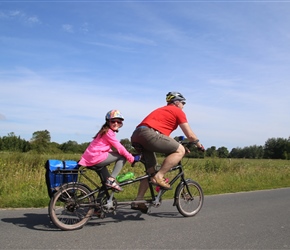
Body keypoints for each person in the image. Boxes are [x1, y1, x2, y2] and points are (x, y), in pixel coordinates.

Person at [130, 91, 205, 212]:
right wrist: (198, 144)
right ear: (176, 102)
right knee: (179, 151)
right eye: (182, 103)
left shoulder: (163, 111)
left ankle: (138, 200)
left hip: (137, 135)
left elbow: (164, 138)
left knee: (151, 171)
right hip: (149, 134)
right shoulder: (177, 111)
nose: (183, 105)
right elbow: (190, 135)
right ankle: (160, 177)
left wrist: (178, 146)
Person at [78, 110, 141, 191]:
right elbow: (120, 148)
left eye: (119, 122)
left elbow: (104, 148)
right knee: (122, 156)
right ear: (108, 122)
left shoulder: (104, 131)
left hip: (92, 158)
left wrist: (129, 154)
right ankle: (111, 180)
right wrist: (131, 158)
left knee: (107, 184)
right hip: (96, 158)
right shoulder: (108, 132)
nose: (116, 123)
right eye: (113, 121)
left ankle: (101, 202)